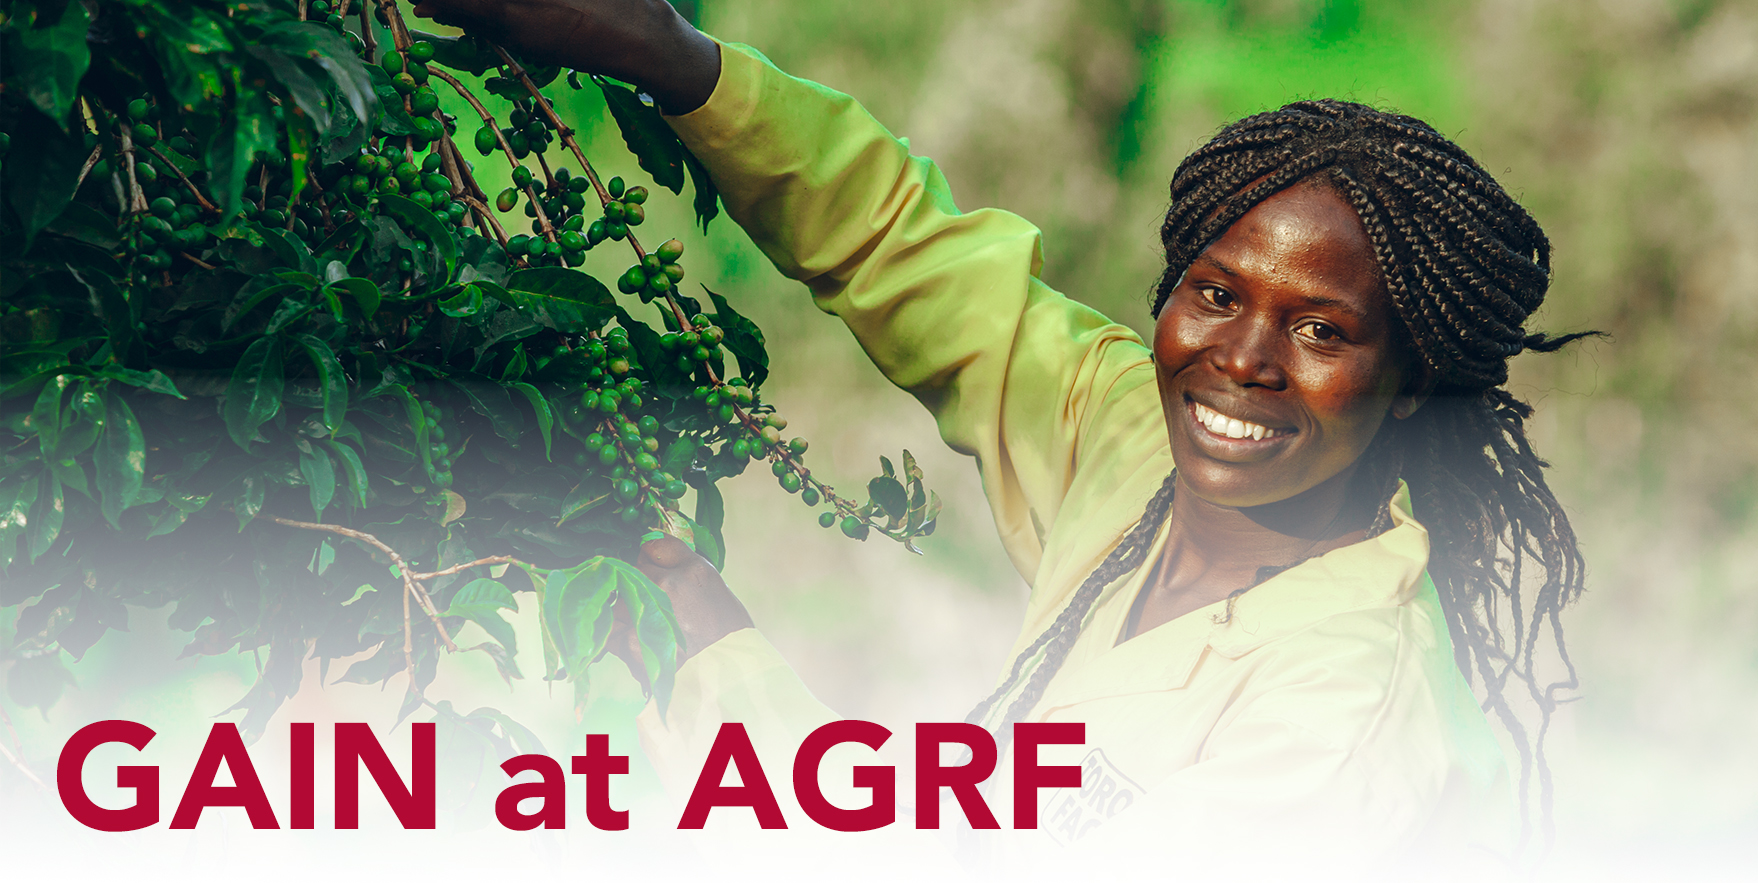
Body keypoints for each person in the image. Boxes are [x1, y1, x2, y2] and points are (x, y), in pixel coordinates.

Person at [417, 0, 1592, 873]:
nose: (1241, 361)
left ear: (1408, 387)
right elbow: (906, 254)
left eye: (1323, 331)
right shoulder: (1137, 437)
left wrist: (719, 661)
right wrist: (672, 59)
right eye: (1217, 294)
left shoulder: (1335, 724)